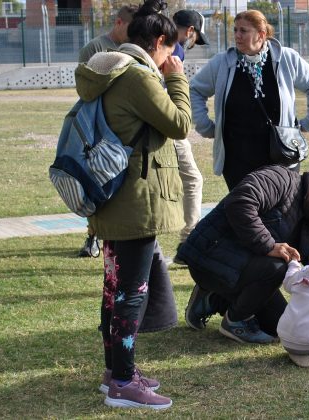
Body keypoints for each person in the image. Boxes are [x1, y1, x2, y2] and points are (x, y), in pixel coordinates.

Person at [75, 0, 190, 409]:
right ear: (158, 41)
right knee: (132, 293)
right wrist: (177, 80)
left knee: (114, 289)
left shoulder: (107, 69)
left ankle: (114, 372)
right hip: (135, 199)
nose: (170, 59)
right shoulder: (138, 77)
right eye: (169, 51)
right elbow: (178, 123)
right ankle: (123, 382)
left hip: (111, 197)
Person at [179, 166, 309, 344]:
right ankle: (235, 322)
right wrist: (268, 245)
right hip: (208, 258)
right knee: (278, 266)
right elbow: (240, 202)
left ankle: (212, 299)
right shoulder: (279, 180)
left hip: (242, 270)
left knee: (280, 325)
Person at [189, 9, 309, 190]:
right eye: (235, 30)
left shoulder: (286, 58)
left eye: (243, 31)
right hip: (237, 161)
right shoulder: (222, 62)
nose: (237, 36)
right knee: (245, 213)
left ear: (261, 34)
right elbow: (196, 89)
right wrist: (205, 126)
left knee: (281, 214)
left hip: (282, 158)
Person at [77, 4, 138, 258]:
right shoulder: (96, 48)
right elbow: (86, 90)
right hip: (100, 129)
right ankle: (92, 237)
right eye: (131, 29)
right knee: (99, 183)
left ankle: (122, 235)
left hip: (126, 129)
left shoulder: (135, 48)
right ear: (119, 23)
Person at [168, 9, 209, 265]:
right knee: (193, 179)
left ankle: (96, 234)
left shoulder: (155, 40)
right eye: (195, 38)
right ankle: (188, 241)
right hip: (166, 123)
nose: (193, 44)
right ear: (190, 31)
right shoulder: (176, 50)